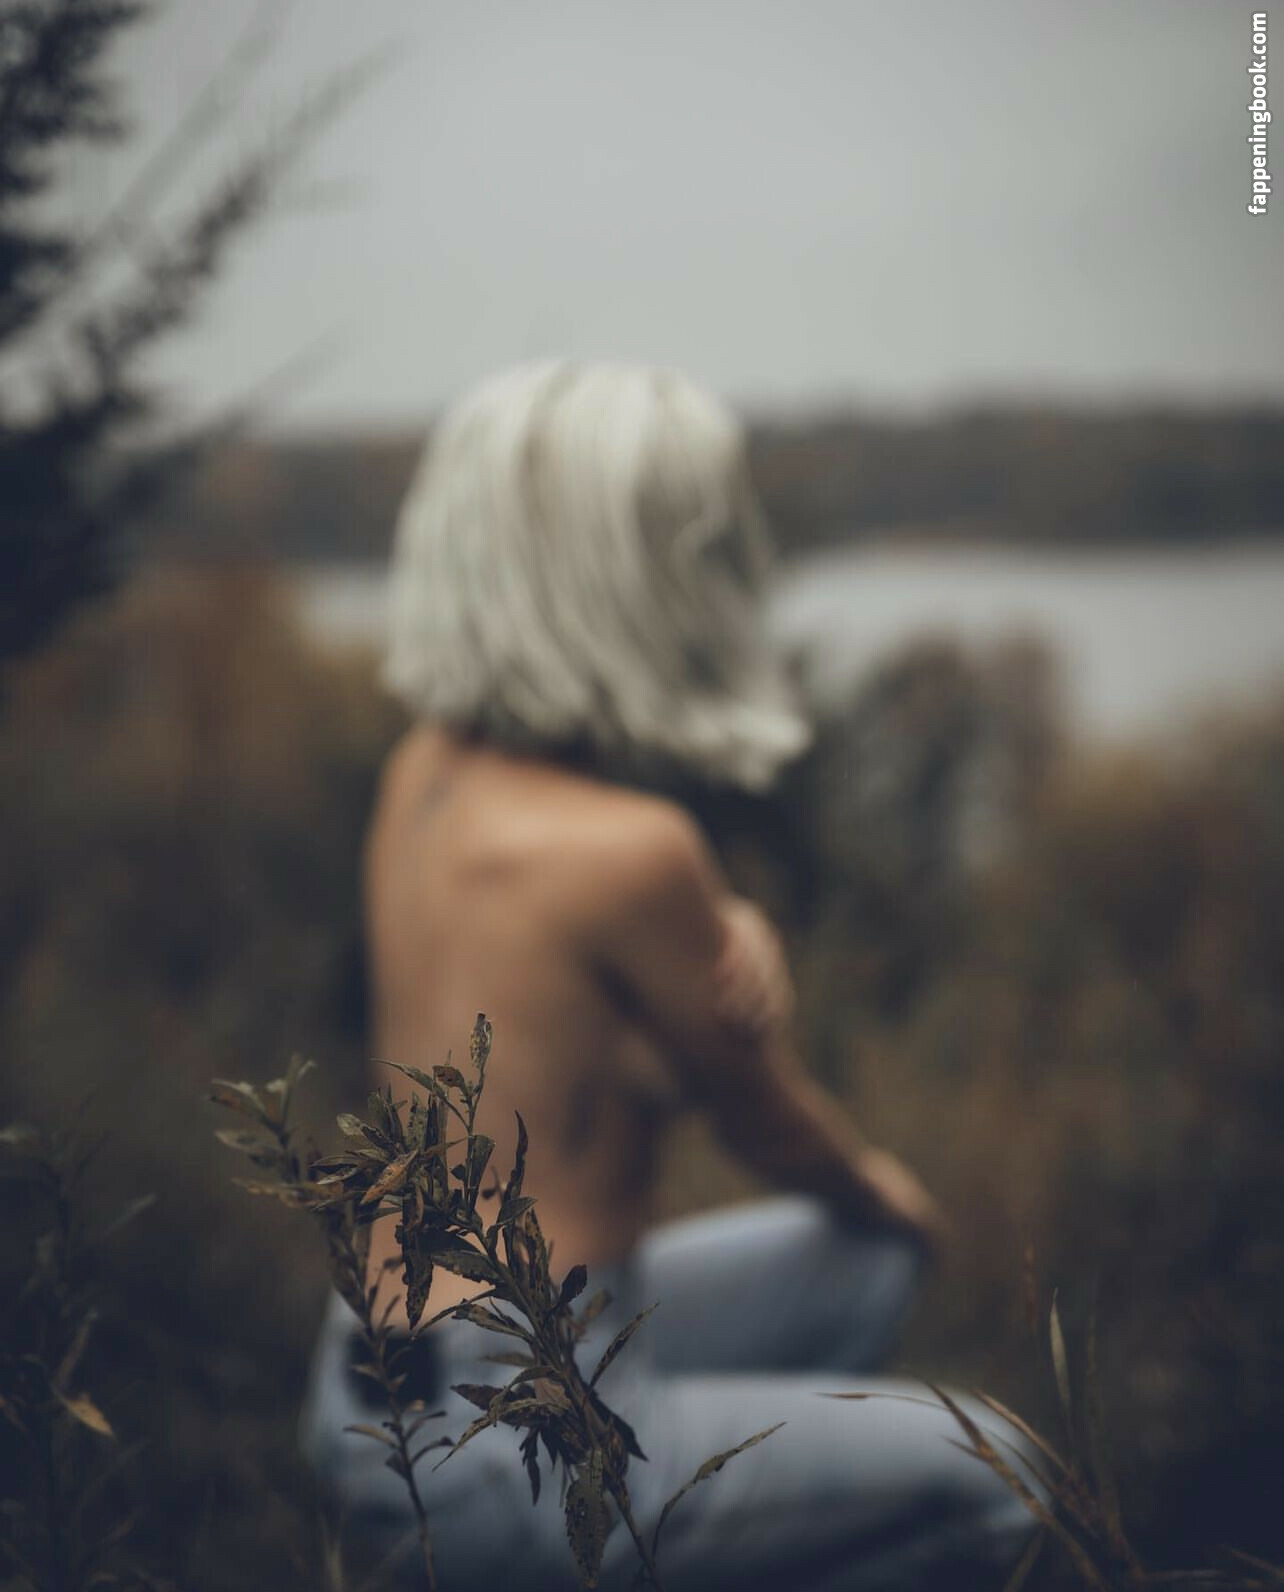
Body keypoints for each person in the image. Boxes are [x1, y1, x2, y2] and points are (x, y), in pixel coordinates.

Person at [299, 361, 1042, 1589]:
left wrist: (722, 929)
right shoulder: (635, 850)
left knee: (864, 1262)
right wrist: (881, 1185)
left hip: (367, 1387)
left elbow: (567, 1042)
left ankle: (697, 1515)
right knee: (1008, 1470)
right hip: (522, 1445)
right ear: (626, 580)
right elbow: (766, 1121)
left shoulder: (422, 775)